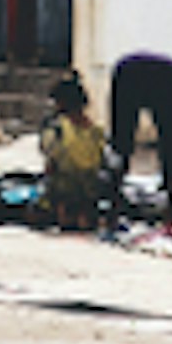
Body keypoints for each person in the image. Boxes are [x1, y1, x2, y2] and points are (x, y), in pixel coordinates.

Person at [107, 50, 172, 221]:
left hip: (128, 74)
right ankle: (169, 199)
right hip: (134, 78)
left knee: (123, 138)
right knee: (171, 144)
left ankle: (115, 195)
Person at [38, 71, 111, 231]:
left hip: (66, 187)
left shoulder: (57, 128)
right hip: (92, 188)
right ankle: (84, 215)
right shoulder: (96, 130)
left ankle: (63, 212)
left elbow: (51, 159)